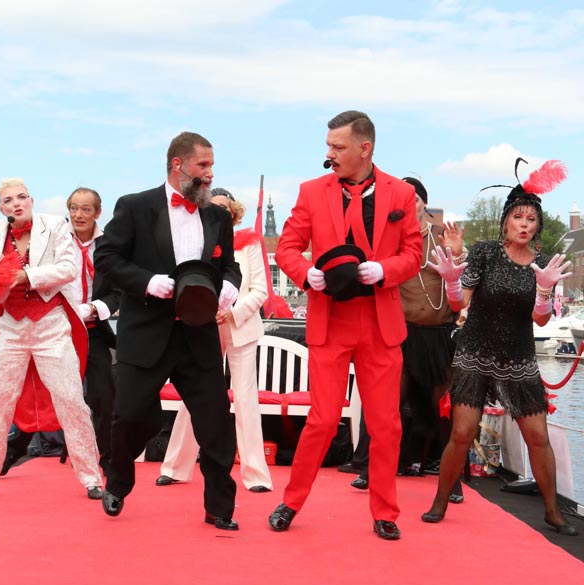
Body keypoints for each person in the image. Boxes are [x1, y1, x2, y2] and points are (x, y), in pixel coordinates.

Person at [269, 110, 422, 540]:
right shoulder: (311, 191)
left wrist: (386, 270)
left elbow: (413, 253)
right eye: (329, 146)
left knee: (386, 425)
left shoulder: (401, 194)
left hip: (379, 322)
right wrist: (306, 274)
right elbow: (286, 248)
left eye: (337, 146)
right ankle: (290, 502)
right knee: (321, 420)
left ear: (364, 148)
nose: (330, 153)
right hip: (331, 320)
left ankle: (385, 512)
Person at [94, 132, 242, 530]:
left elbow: (229, 265)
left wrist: (230, 285)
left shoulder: (217, 217)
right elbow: (106, 257)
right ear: (178, 165)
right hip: (146, 333)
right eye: (203, 165)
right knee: (129, 417)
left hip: (198, 336)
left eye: (212, 166)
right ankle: (117, 483)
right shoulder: (135, 206)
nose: (210, 174)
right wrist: (146, 281)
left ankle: (219, 507)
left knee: (216, 423)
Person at [421, 160, 578, 536]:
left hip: (519, 358)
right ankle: (439, 501)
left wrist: (545, 289)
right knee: (462, 433)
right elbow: (459, 303)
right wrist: (452, 278)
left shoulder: (544, 265)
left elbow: (541, 320)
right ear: (506, 221)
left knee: (537, 437)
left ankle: (553, 511)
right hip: (475, 353)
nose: (524, 224)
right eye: (518, 217)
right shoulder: (485, 253)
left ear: (537, 226)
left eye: (531, 219)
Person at [0, 178, 102, 499]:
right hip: (11, 327)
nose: (16, 203)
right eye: (8, 200)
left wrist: (26, 275)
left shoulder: (54, 225)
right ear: (1, 208)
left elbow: (68, 268)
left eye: (21, 197)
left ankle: (92, 479)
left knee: (71, 401)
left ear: (31, 200)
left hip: (51, 326)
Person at [349, 178, 465, 505]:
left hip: (438, 334)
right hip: (399, 333)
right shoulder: (387, 240)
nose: (406, 205)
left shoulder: (443, 237)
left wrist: (456, 257)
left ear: (424, 204)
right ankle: (370, 469)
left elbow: (461, 294)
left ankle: (452, 478)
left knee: (444, 408)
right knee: (386, 403)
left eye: (412, 199)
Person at [157, 188, 273, 492]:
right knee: (195, 396)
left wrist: (232, 312)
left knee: (246, 400)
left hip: (241, 327)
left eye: (224, 208)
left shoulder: (250, 245)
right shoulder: (196, 242)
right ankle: (175, 467)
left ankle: (256, 475)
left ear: (233, 213)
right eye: (213, 207)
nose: (218, 213)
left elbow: (260, 291)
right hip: (203, 326)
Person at [0, 187, 121, 479]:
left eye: (86, 209)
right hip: (52, 328)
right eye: (74, 208)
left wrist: (91, 309)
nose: (78, 215)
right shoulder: (51, 237)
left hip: (92, 329)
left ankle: (107, 458)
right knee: (43, 392)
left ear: (97, 213)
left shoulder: (110, 245)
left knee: (103, 395)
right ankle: (16, 448)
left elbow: (117, 292)